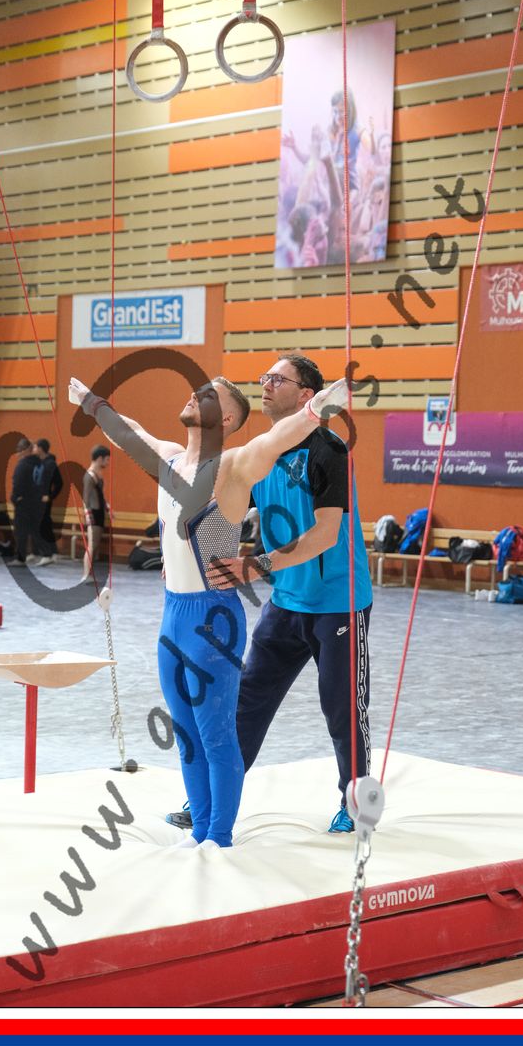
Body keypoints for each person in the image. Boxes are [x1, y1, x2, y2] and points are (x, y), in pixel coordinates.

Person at [69, 371, 348, 850]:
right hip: (172, 615)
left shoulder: (233, 467)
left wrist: (316, 408)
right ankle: (200, 830)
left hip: (212, 619)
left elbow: (277, 438)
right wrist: (92, 403)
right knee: (186, 736)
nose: (194, 396)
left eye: (207, 397)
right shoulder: (169, 460)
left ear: (228, 418)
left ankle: (219, 838)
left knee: (216, 735)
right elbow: (129, 432)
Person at [195, 354, 373, 835]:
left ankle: (357, 805)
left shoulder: (329, 451)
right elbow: (227, 509)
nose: (267, 384)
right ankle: (213, 798)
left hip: (338, 602)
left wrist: (253, 566)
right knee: (247, 701)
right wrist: (187, 550)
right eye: (265, 378)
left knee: (343, 709)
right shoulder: (263, 454)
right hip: (285, 602)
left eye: (278, 378)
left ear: (306, 396)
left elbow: (325, 535)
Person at [10, 437, 43, 566]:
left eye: (19, 450)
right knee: (35, 529)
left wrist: (15, 498)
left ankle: (20, 558)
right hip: (37, 502)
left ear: (24, 450)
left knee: (21, 531)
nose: (17, 453)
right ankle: (35, 553)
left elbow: (18, 484)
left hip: (23, 502)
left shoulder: (23, 465)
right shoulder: (39, 464)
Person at [80, 445, 110, 583]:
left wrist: (107, 508)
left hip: (99, 512)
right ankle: (86, 574)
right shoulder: (89, 476)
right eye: (106, 459)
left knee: (95, 545)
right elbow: (86, 498)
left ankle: (90, 573)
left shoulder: (98, 474)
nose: (108, 463)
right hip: (92, 513)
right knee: (91, 545)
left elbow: (100, 495)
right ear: (99, 458)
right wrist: (88, 515)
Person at [33, 438, 63, 565]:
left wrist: (50, 496)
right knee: (46, 525)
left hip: (43, 500)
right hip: (36, 500)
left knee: (39, 526)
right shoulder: (39, 463)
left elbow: (59, 483)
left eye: (35, 447)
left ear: (40, 448)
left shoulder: (50, 464)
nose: (34, 449)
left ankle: (46, 553)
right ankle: (53, 552)